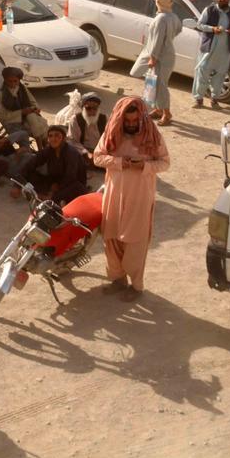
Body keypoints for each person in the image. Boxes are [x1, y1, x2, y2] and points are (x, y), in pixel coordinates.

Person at [94, 96, 170, 302]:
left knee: (135, 241)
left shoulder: (152, 136)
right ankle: (118, 279)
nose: (130, 124)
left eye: (134, 120)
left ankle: (136, 286)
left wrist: (144, 166)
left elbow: (164, 163)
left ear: (141, 118)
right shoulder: (111, 134)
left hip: (140, 197)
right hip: (114, 195)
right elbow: (98, 157)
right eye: (127, 121)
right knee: (111, 237)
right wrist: (120, 162)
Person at [131, 0, 182, 126]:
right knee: (155, 83)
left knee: (160, 85)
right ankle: (158, 110)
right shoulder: (173, 17)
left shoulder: (161, 19)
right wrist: (168, 40)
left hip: (160, 56)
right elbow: (178, 30)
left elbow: (157, 40)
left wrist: (153, 57)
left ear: (158, 2)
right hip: (167, 54)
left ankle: (167, 113)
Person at [13, 125, 89, 205]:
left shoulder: (71, 153)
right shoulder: (48, 150)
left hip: (72, 184)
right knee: (32, 174)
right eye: (50, 136)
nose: (53, 139)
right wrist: (17, 185)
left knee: (76, 188)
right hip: (55, 182)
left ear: (64, 138)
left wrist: (54, 191)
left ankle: (52, 198)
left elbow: (70, 177)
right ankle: (49, 197)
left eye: (57, 135)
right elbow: (30, 164)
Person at [192, 0, 230, 108]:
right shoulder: (209, 10)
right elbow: (199, 25)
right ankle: (198, 99)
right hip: (209, 48)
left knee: (220, 75)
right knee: (202, 72)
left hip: (225, 50)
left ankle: (214, 99)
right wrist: (212, 29)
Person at [0, 66, 49, 146]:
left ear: (19, 80)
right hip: (14, 121)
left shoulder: (22, 88)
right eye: (10, 81)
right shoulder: (2, 94)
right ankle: (42, 146)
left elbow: (33, 101)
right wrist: (21, 112)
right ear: (5, 80)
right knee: (35, 122)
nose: (13, 84)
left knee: (34, 119)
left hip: (27, 117)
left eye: (15, 81)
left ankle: (44, 146)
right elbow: (4, 116)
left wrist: (36, 108)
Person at [67, 92, 106, 169]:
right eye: (88, 108)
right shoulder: (76, 119)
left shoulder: (104, 119)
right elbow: (72, 141)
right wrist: (85, 152)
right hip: (83, 150)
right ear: (83, 108)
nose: (92, 111)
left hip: (100, 151)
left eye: (95, 108)